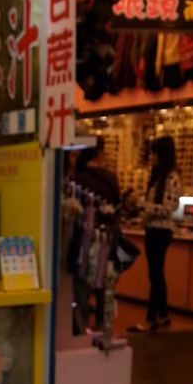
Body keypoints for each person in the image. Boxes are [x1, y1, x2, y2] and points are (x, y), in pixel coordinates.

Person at [131, 135, 182, 332]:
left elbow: (170, 206)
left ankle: (153, 317)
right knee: (155, 274)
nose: (151, 157)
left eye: (154, 153)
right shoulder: (157, 178)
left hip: (160, 231)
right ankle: (162, 315)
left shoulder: (171, 178)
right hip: (152, 230)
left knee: (156, 274)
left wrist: (145, 206)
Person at [71, 137, 121, 333]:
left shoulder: (77, 180)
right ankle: (102, 325)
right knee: (103, 282)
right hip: (107, 237)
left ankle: (81, 324)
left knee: (81, 281)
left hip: (83, 237)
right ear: (99, 153)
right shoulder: (111, 178)